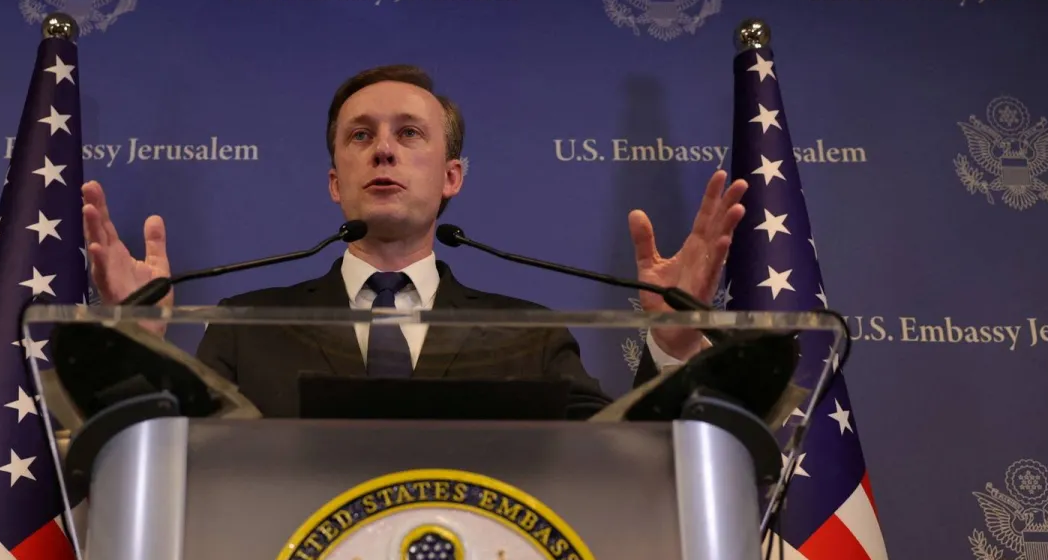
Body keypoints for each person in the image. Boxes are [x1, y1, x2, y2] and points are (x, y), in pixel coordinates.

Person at [81, 64, 746, 417]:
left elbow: (617, 461)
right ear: (335, 181)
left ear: (451, 176)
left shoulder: (529, 335)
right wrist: (136, 348)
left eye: (408, 134)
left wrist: (675, 344)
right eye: (361, 136)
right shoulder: (245, 327)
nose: (383, 151)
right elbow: (178, 465)